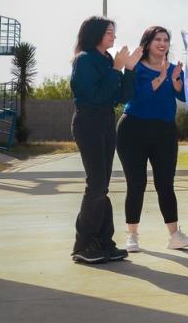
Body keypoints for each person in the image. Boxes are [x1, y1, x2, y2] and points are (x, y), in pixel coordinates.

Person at [118, 26, 188, 254]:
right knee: (136, 184)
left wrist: (175, 80)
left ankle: (175, 235)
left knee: (165, 184)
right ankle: (132, 236)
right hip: (133, 130)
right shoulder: (135, 67)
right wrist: (162, 78)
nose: (162, 43)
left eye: (166, 40)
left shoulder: (174, 69)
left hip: (164, 132)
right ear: (148, 43)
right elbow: (136, 96)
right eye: (157, 39)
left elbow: (183, 96)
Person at [70, 16, 140, 264]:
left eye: (114, 32)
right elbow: (94, 95)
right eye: (109, 32)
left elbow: (122, 96)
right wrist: (115, 70)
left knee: (103, 186)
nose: (114, 36)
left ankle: (103, 242)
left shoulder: (108, 60)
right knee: (96, 184)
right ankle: (84, 245)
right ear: (95, 34)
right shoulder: (84, 60)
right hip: (88, 122)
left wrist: (128, 69)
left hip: (107, 123)